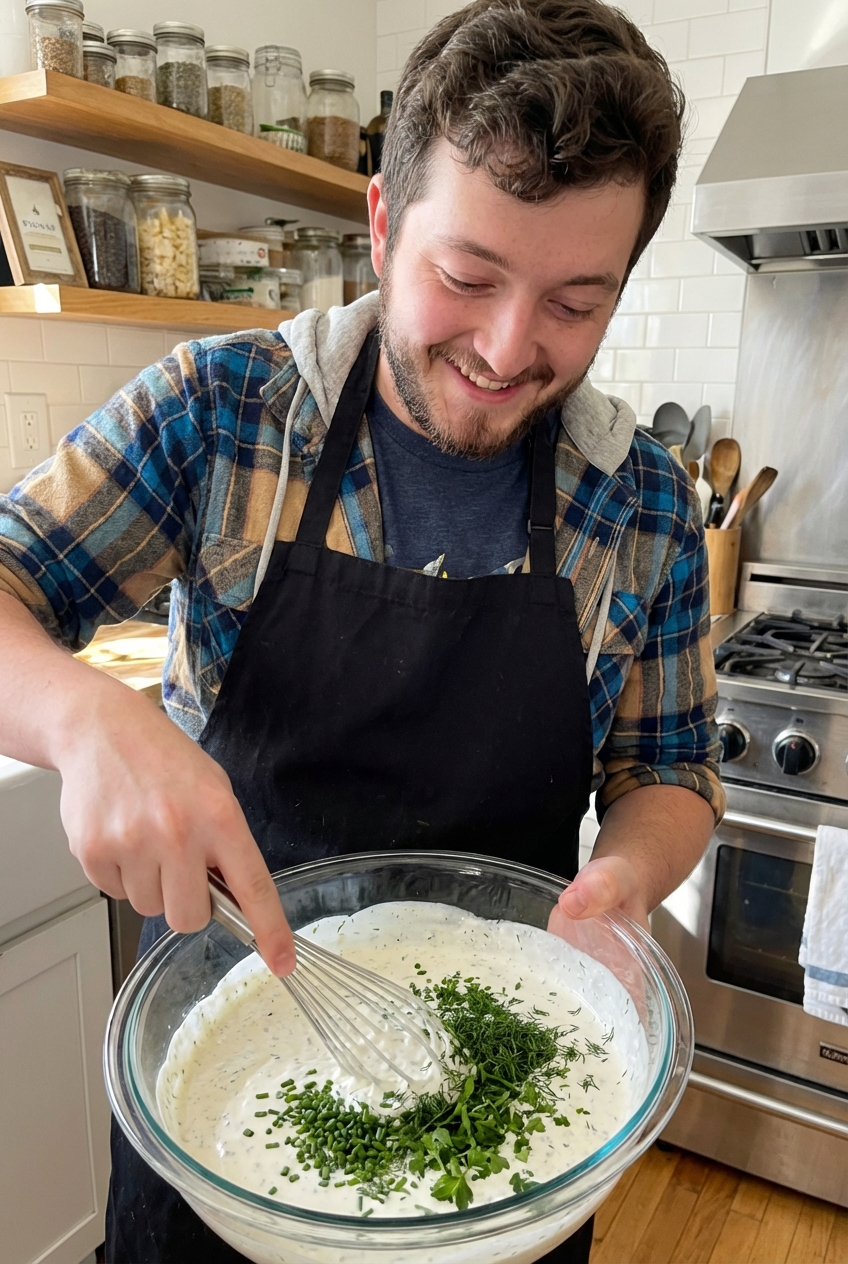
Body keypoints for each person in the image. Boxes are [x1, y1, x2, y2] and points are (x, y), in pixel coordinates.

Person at [0, 1, 723, 1260]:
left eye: (573, 302)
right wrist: (82, 716)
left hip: (501, 1172)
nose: (508, 349)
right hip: (230, 1129)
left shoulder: (644, 500)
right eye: (467, 277)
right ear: (382, 227)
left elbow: (666, 769)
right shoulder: (221, 416)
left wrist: (622, 881)